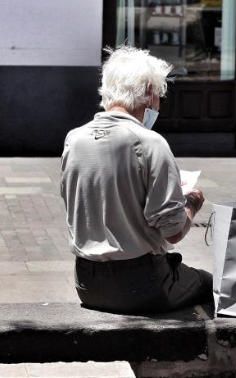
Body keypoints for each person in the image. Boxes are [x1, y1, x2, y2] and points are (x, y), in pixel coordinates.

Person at [60, 46, 212, 314]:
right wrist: (191, 204)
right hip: (141, 285)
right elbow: (173, 232)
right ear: (150, 93)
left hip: (86, 282)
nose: (158, 105)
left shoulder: (75, 139)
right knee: (209, 284)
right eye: (159, 98)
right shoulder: (150, 143)